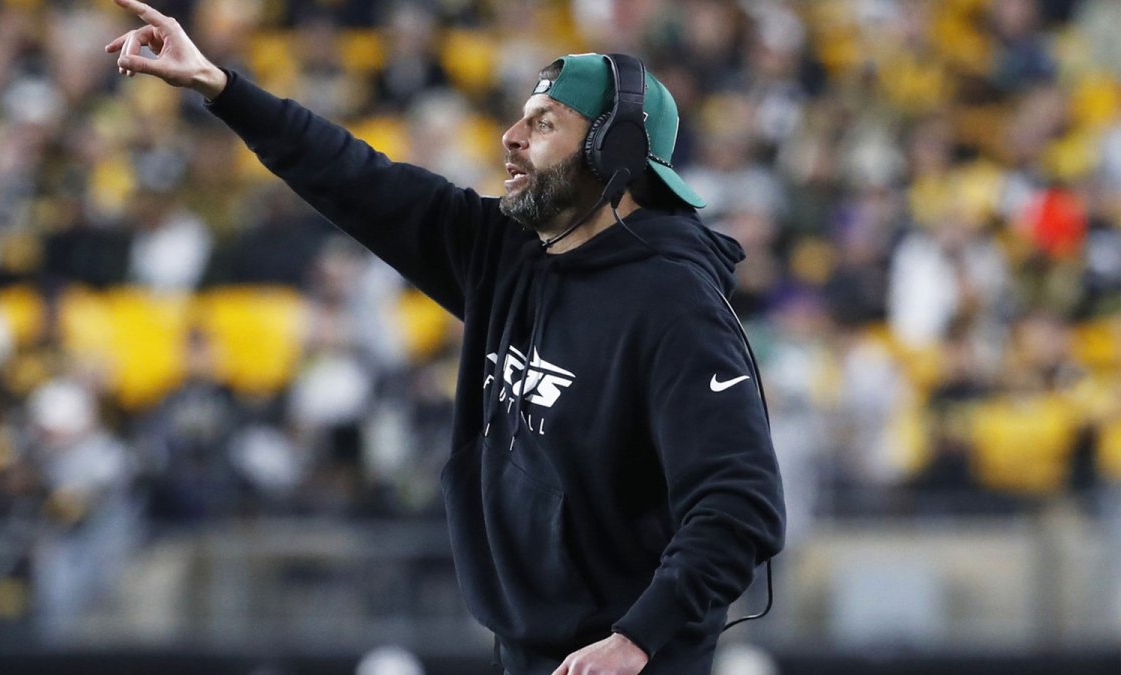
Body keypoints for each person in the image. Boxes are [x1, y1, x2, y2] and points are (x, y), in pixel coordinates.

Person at [105, 1, 786, 673]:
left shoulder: (676, 307)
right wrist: (221, 88)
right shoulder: (508, 249)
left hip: (627, 662)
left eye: (543, 123)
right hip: (531, 649)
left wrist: (638, 637)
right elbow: (357, 179)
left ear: (617, 154)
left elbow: (740, 505)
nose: (510, 136)